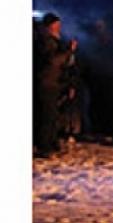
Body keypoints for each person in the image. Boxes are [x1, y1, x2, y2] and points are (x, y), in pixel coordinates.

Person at [33, 13, 75, 157]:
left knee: (52, 115)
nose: (59, 28)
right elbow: (53, 61)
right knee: (46, 116)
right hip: (47, 82)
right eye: (56, 25)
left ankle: (50, 142)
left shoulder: (54, 41)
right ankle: (44, 146)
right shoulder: (45, 41)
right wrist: (68, 51)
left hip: (54, 82)